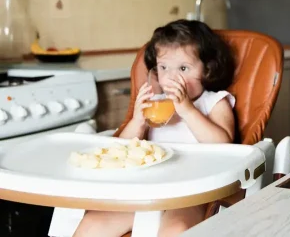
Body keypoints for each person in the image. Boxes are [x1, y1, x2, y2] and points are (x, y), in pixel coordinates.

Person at [74, 20, 236, 237]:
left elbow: (224, 144)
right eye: (163, 68)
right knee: (92, 224)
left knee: (177, 230)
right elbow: (120, 149)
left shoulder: (214, 102)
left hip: (191, 194)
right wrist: (138, 121)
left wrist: (187, 109)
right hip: (145, 191)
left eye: (183, 68)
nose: (171, 77)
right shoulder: (156, 103)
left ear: (207, 69)